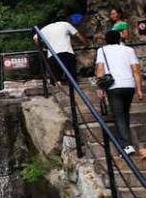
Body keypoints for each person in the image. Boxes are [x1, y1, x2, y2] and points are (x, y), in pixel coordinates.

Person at [96, 30, 145, 159]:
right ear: (119, 39)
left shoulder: (102, 51)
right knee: (125, 113)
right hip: (129, 86)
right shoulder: (129, 50)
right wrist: (139, 90)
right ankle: (127, 141)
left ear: (106, 40)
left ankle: (126, 146)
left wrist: (100, 87)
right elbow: (136, 71)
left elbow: (100, 70)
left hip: (114, 87)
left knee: (119, 115)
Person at [35, 16, 86, 84]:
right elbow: (78, 35)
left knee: (56, 78)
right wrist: (85, 44)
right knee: (71, 75)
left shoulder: (45, 29)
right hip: (67, 52)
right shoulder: (65, 24)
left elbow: (35, 38)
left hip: (52, 55)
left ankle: (58, 86)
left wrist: (42, 48)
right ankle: (72, 86)